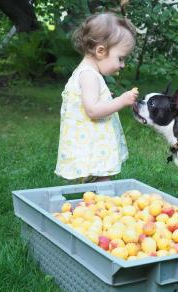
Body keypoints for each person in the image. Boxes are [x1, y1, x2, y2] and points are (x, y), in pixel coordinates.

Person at [55, 12, 138, 183]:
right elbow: (92, 111)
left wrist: (107, 99)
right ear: (101, 51)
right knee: (102, 182)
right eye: (120, 58)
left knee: (96, 183)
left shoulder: (88, 73)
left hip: (90, 144)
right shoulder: (89, 75)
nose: (123, 65)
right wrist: (120, 101)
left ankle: (93, 204)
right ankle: (101, 206)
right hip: (92, 148)